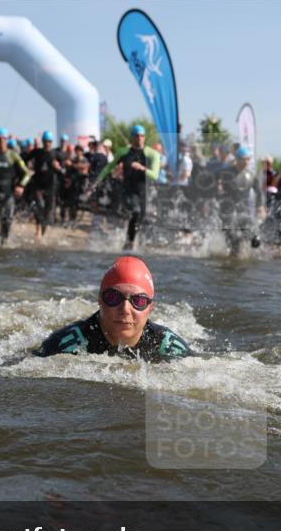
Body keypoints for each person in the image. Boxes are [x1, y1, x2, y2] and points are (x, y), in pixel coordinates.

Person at [35, 255, 192, 362]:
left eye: (138, 300)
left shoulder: (169, 347)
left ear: (150, 307)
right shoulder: (62, 346)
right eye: (113, 297)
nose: (125, 309)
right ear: (99, 301)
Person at [95, 125, 162, 249]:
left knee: (141, 218)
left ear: (144, 137)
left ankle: (134, 243)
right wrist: (97, 180)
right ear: (132, 137)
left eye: (142, 136)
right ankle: (129, 243)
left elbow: (155, 175)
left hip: (143, 192)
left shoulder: (152, 154)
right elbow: (109, 167)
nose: (139, 138)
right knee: (135, 211)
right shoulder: (123, 152)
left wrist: (142, 168)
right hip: (127, 191)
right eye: (137, 136)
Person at [0, 130, 31, 247]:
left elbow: (27, 173)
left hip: (8, 193)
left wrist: (21, 185)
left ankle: (3, 243)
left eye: (4, 139)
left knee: (7, 220)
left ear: (7, 141)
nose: (2, 141)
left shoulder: (12, 155)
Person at [28, 130, 65, 243]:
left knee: (48, 212)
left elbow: (64, 171)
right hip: (38, 185)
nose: (47, 143)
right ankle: (38, 229)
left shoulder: (56, 154)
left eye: (49, 141)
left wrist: (58, 167)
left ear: (51, 142)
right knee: (40, 206)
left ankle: (42, 232)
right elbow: (25, 159)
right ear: (43, 141)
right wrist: (29, 168)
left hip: (51, 186)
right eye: (45, 141)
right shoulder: (37, 152)